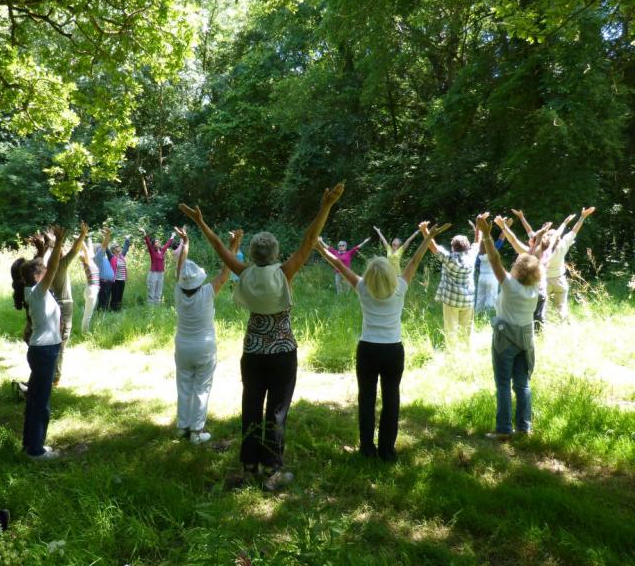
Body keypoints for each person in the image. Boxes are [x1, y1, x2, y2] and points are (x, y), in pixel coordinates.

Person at [180, 182, 344, 491]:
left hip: (253, 352)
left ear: (254, 254)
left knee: (251, 406)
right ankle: (273, 469)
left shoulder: (244, 272)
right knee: (277, 412)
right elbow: (310, 240)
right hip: (283, 352)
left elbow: (218, 246)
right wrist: (326, 205)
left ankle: (249, 465)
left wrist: (200, 221)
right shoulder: (284, 273)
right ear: (276, 253)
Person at [315, 221, 450, 460]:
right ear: (389, 272)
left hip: (367, 350)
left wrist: (318, 247)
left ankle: (367, 448)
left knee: (366, 399)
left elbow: (337, 262)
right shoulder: (399, 287)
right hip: (392, 351)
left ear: (369, 273)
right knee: (391, 399)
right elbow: (414, 261)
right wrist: (428, 237)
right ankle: (387, 450)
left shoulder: (362, 286)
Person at [173, 226, 242, 444]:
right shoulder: (207, 292)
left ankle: (182, 428)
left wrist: (186, 244)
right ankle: (197, 431)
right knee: (201, 388)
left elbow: (180, 268)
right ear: (199, 280)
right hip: (204, 347)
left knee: (184, 386)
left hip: (182, 346)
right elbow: (225, 271)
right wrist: (233, 246)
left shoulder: (177, 290)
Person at [478, 215, 545, 440]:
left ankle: (504, 429)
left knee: (504, 384)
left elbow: (495, 261)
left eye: (516, 263)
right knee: (523, 384)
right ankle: (524, 428)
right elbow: (534, 258)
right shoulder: (535, 287)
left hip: (506, 337)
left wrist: (487, 234)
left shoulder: (510, 286)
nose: (514, 263)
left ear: (518, 270)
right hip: (526, 337)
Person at [20, 226, 67, 460]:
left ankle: (30, 445)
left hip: (42, 350)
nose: (46, 272)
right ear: (38, 277)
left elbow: (44, 264)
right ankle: (36, 451)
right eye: (43, 272)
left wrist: (47, 247)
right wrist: (58, 242)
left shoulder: (34, 290)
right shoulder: (38, 291)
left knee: (35, 399)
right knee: (41, 402)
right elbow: (53, 267)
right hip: (44, 351)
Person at [423, 216, 484, 345]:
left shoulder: (449, 258)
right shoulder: (471, 255)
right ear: (467, 247)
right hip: (468, 301)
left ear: (453, 247)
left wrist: (424, 229)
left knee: (451, 330)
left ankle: (452, 354)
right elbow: (478, 240)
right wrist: (479, 223)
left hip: (451, 300)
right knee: (466, 331)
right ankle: (466, 353)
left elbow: (432, 246)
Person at [46, 222, 88, 386]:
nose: (62, 250)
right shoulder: (60, 264)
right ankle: (56, 377)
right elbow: (75, 250)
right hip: (64, 305)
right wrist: (82, 235)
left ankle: (51, 373)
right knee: (62, 342)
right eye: (60, 249)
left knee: (53, 340)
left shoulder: (47, 267)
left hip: (52, 304)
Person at [473, 220, 507, 313]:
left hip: (482, 276)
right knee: (491, 299)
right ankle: (487, 317)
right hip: (492, 277)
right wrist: (505, 227)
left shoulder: (479, 252)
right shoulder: (493, 250)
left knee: (480, 298)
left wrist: (478, 227)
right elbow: (501, 239)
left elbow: (476, 264)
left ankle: (477, 314)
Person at [141, 227, 175, 305]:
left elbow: (167, 244)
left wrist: (172, 236)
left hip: (161, 273)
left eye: (158, 241)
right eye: (156, 242)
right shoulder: (152, 251)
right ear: (153, 244)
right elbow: (148, 242)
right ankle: (150, 309)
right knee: (151, 291)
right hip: (153, 273)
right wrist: (144, 233)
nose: (158, 242)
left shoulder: (162, 251)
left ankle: (157, 308)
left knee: (159, 291)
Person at [79, 236, 99, 333]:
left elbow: (89, 251)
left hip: (92, 289)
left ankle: (85, 331)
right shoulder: (87, 263)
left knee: (88, 313)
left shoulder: (90, 262)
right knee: (88, 314)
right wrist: (81, 240)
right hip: (91, 290)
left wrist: (89, 239)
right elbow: (87, 251)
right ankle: (84, 333)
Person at [106, 234, 131, 311]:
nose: (119, 247)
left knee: (120, 296)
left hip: (122, 280)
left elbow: (126, 248)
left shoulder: (121, 256)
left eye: (119, 246)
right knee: (115, 296)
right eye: (117, 246)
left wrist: (127, 239)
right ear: (113, 249)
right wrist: (105, 237)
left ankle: (118, 309)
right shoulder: (111, 257)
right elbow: (106, 249)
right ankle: (113, 310)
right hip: (115, 280)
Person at [94, 227, 115, 312]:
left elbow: (105, 247)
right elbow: (104, 247)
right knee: (103, 302)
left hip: (108, 282)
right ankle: (100, 317)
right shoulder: (97, 258)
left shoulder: (104, 258)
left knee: (106, 301)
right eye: (100, 248)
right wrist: (107, 235)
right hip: (103, 282)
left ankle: (103, 316)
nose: (102, 248)